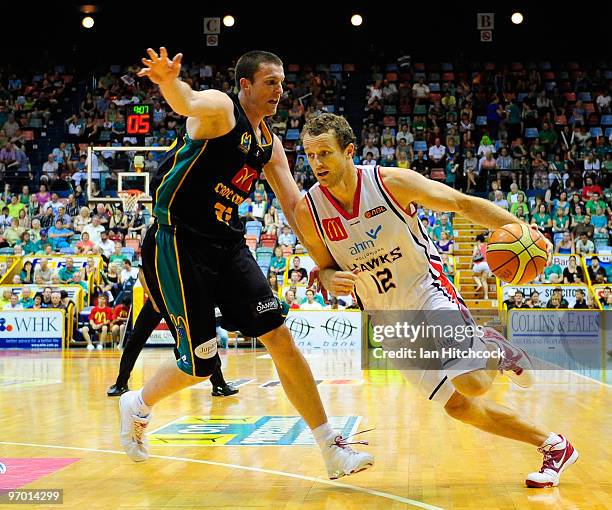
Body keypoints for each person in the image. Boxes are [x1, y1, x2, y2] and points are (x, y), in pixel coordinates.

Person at [117, 48, 372, 479]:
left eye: (282, 83)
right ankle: (137, 403)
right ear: (246, 85)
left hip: (228, 244)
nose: (279, 90)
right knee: (201, 363)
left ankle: (332, 449)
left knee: (280, 338)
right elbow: (187, 101)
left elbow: (294, 209)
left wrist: (325, 265)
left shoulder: (269, 147)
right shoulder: (220, 109)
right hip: (178, 240)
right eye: (270, 82)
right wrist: (166, 82)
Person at [294, 112, 576, 488]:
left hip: (429, 293)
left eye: (325, 153)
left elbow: (461, 203)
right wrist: (332, 278)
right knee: (458, 406)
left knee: (473, 383)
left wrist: (520, 228)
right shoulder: (308, 211)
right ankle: (554, 446)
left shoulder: (390, 182)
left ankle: (493, 346)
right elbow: (324, 269)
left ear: (349, 152)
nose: (317, 164)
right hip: (388, 321)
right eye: (310, 155)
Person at [107, 296, 238, 398]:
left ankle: (218, 384)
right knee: (136, 338)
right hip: (156, 300)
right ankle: (120, 384)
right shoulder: (151, 263)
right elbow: (142, 275)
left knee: (196, 340)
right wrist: (154, 300)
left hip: (174, 300)